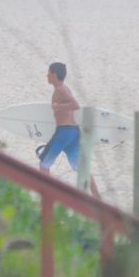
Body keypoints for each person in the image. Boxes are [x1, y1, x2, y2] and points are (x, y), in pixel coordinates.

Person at [38, 62, 100, 198]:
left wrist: (58, 107)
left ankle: (46, 197)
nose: (47, 75)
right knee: (81, 168)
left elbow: (75, 105)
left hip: (64, 132)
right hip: (73, 133)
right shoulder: (62, 89)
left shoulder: (61, 89)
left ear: (54, 74)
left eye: (49, 72)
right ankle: (98, 199)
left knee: (44, 162)